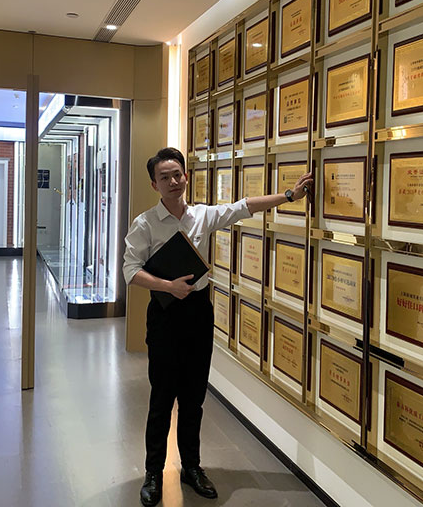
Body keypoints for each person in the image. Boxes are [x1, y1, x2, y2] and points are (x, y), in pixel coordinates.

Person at [123, 147, 313, 506]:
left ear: (185, 176)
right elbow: (130, 271)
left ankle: (192, 468)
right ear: (154, 184)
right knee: (162, 398)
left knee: (194, 397)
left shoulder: (202, 215)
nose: (173, 181)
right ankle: (153, 472)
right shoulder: (145, 224)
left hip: (198, 312)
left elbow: (243, 207)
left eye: (177, 174)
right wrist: (167, 286)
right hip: (164, 314)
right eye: (165, 177)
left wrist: (289, 195)